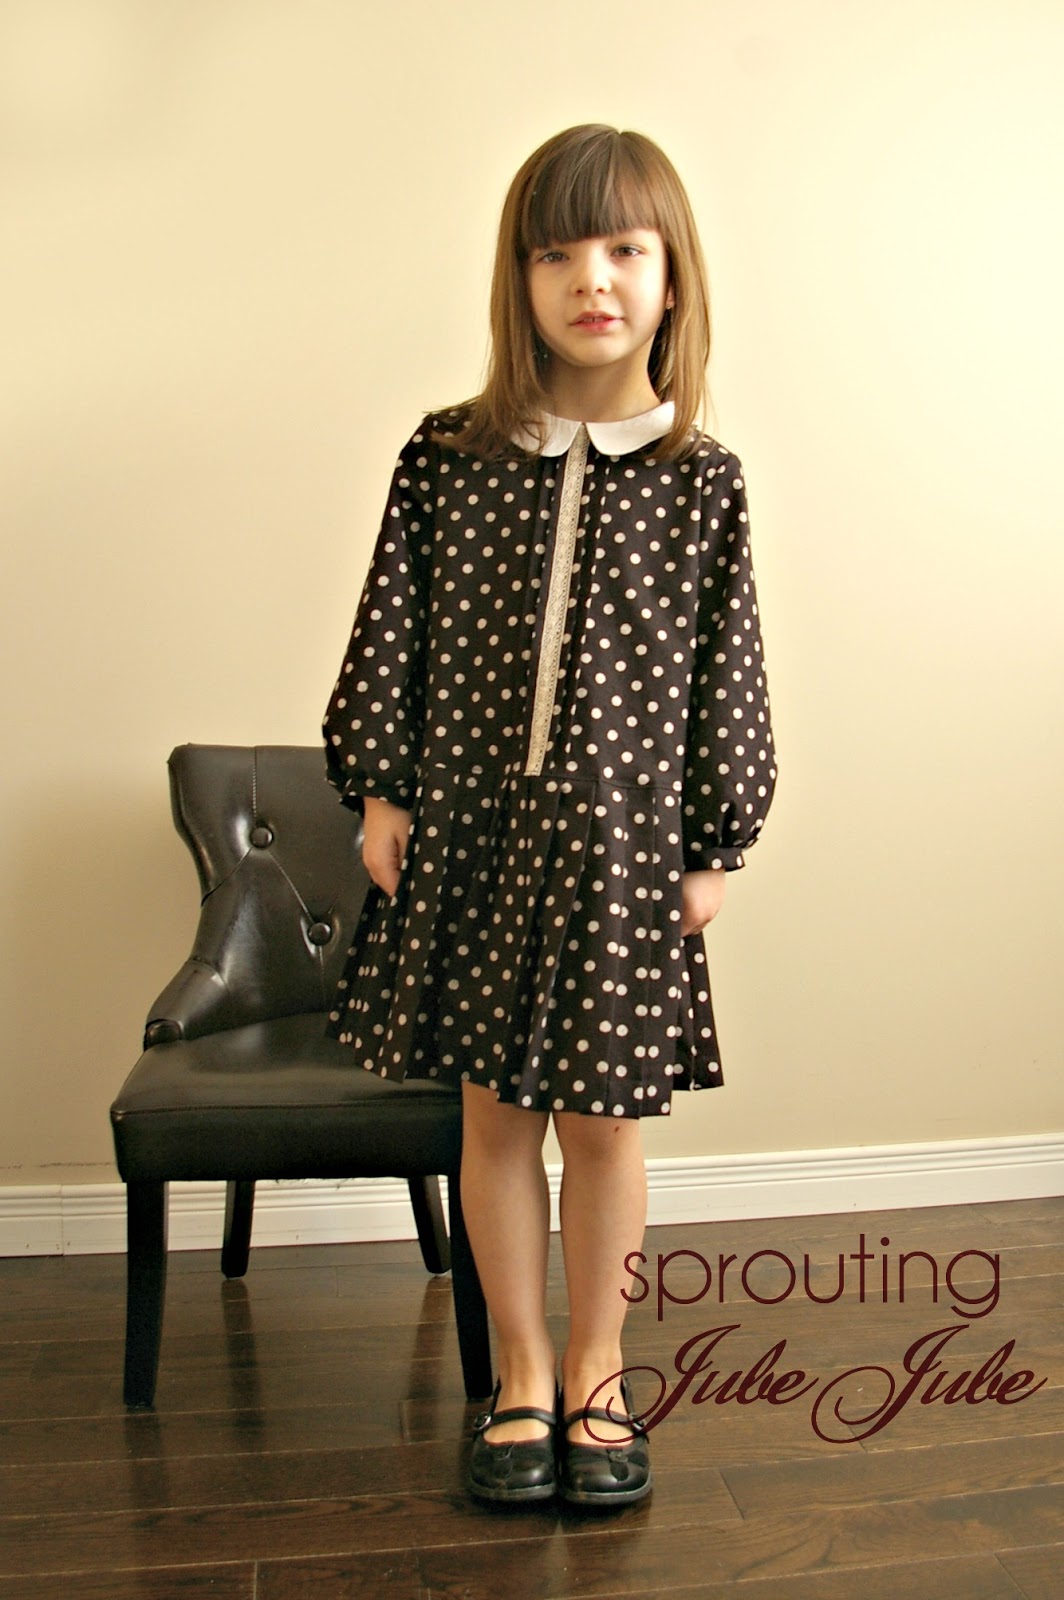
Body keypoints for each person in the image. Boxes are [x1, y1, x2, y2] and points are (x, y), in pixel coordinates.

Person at [322, 124, 776, 1507]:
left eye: (625, 248)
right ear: (519, 280)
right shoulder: (448, 456)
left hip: (622, 855)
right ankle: (519, 1372)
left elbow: (727, 672)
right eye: (558, 252)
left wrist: (714, 840)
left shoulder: (700, 478)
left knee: (604, 1129)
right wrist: (383, 787)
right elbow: (391, 629)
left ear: (671, 274)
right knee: (495, 1122)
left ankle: (597, 1369)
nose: (593, 279)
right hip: (472, 841)